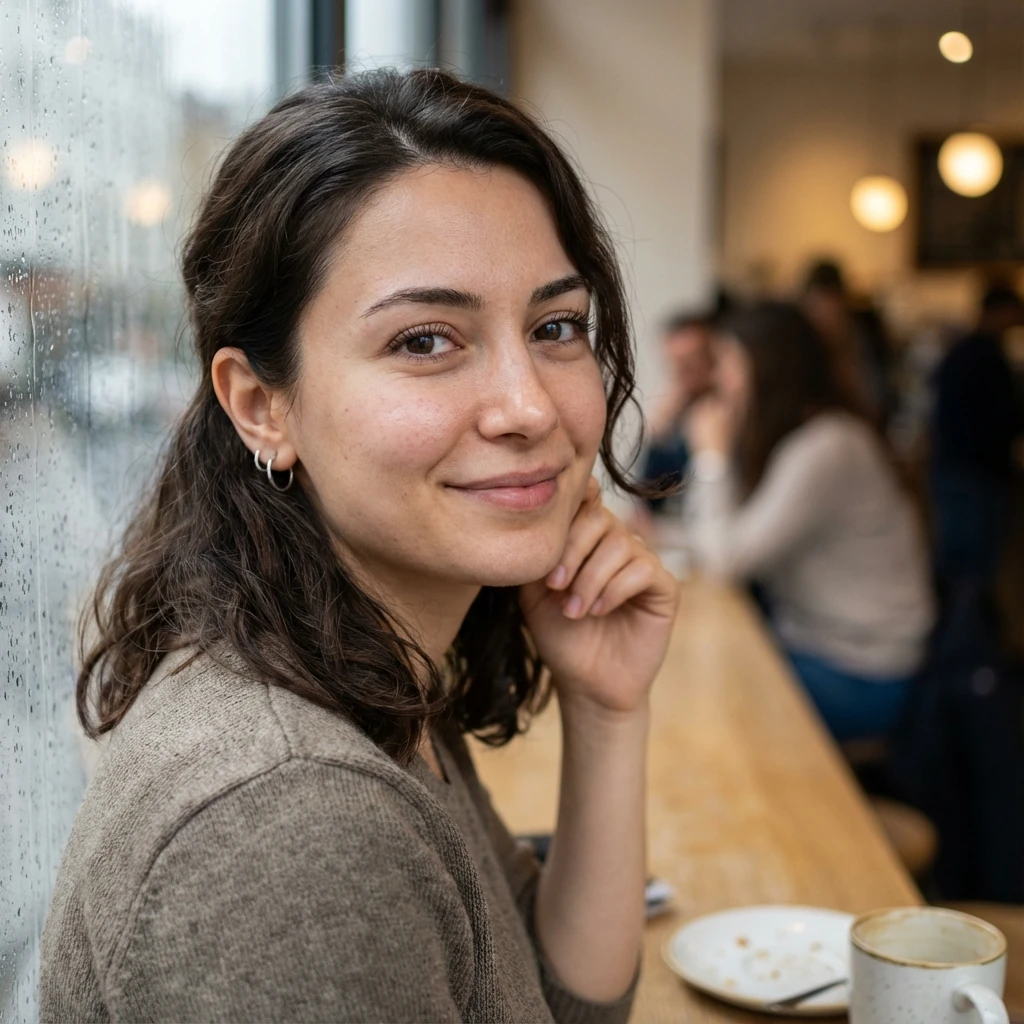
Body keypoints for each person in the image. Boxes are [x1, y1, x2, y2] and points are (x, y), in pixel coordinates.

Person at [40, 69, 679, 1023]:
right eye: (426, 341)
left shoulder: (363, 663)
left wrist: (608, 711)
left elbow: (559, 1006)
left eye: (556, 326)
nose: (530, 405)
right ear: (262, 405)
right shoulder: (291, 823)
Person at [683, 302, 934, 742]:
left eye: (726, 362)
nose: (717, 380)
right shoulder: (797, 438)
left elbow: (724, 561)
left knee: (706, 700)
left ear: (765, 367)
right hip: (817, 648)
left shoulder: (828, 446)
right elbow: (721, 537)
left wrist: (710, 456)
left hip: (862, 672)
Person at [931, 283, 1024, 598]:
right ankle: (965, 641)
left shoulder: (964, 352)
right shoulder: (984, 357)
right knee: (971, 569)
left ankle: (963, 638)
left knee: (962, 565)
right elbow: (1003, 416)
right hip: (974, 474)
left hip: (957, 469)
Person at [637, 309, 716, 516]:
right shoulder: (675, 415)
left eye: (691, 362)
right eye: (676, 365)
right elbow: (648, 502)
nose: (683, 376)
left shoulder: (727, 415)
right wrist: (657, 436)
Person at [801, 258, 895, 427]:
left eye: (829, 306)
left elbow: (886, 392)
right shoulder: (805, 350)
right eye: (817, 308)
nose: (826, 317)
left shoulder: (868, 334)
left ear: (843, 301)